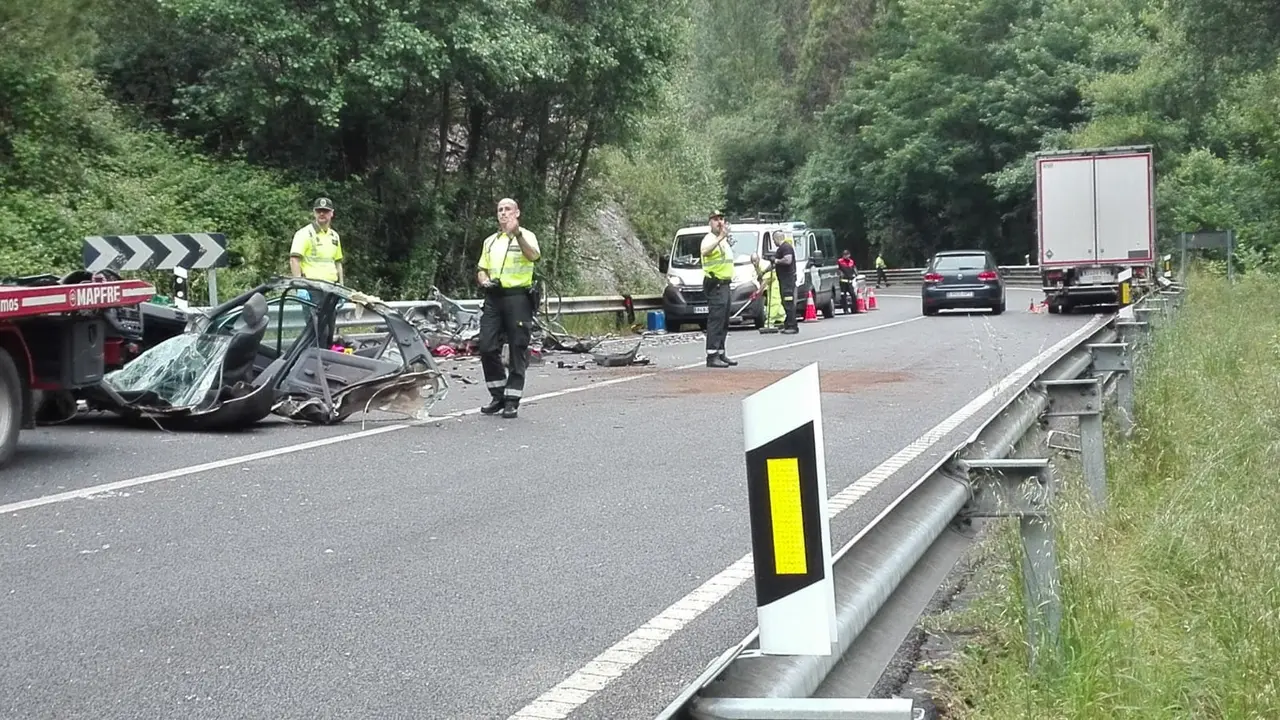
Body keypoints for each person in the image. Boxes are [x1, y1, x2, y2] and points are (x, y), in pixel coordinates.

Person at [476, 197, 540, 418]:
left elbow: (533, 256)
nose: (503, 213)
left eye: (508, 209)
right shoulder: (490, 241)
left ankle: (512, 399)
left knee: (517, 348)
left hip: (518, 297)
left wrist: (518, 234)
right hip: (494, 298)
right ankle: (498, 395)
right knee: (486, 346)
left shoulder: (527, 236)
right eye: (500, 210)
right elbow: (482, 269)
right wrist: (484, 280)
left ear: (517, 213)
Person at [700, 211, 738, 367]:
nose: (719, 222)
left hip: (724, 284)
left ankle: (721, 353)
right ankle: (712, 355)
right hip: (715, 284)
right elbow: (705, 251)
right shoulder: (710, 239)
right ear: (710, 222)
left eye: (721, 219)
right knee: (716, 320)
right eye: (715, 219)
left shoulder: (724, 241)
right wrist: (720, 237)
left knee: (724, 320)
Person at [290, 198, 344, 285]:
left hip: (331, 286)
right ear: (314, 213)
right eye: (319, 211)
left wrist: (341, 285)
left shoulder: (334, 236)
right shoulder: (304, 233)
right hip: (310, 285)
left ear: (332, 213)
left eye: (325, 211)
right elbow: (294, 260)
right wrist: (298, 284)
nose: (322, 214)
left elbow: (338, 262)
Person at [772, 230, 798, 334]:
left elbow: (788, 260)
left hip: (788, 280)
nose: (774, 242)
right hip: (784, 280)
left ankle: (792, 326)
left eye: (774, 240)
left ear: (777, 238)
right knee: (785, 302)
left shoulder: (786, 247)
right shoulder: (781, 248)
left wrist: (776, 261)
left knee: (788, 303)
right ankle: (788, 324)